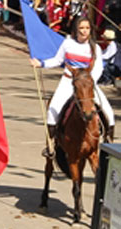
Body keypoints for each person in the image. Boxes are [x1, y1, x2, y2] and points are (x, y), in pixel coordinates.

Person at [30, 16, 115, 156]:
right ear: (76, 29)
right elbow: (57, 60)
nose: (84, 31)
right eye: (81, 28)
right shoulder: (67, 44)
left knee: (109, 113)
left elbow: (98, 68)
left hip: (87, 85)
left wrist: (86, 82)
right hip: (68, 81)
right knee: (53, 111)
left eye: (87, 28)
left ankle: (108, 142)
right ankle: (51, 146)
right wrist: (41, 63)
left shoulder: (95, 48)